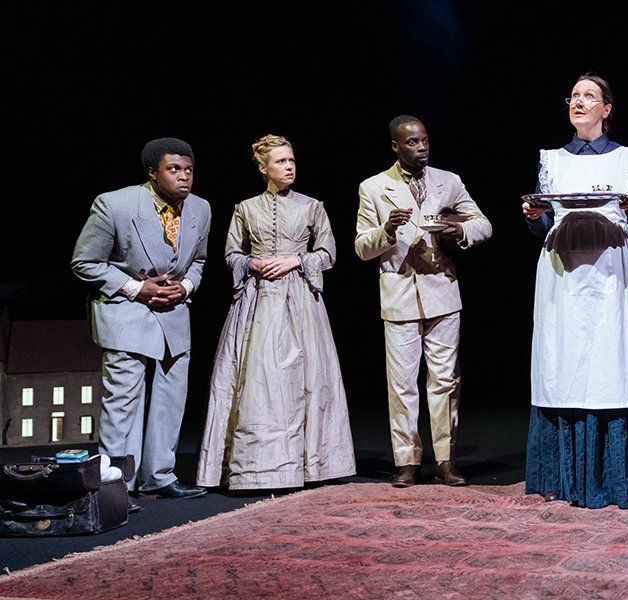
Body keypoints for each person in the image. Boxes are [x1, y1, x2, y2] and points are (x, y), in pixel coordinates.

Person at [520, 73, 628, 509]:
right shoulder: (552, 158)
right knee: (565, 360)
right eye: (574, 96)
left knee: (614, 360)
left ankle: (622, 476)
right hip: (564, 270)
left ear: (607, 108)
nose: (579, 102)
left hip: (615, 268)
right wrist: (532, 215)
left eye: (589, 96)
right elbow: (543, 222)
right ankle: (564, 477)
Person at [196, 134, 357, 491]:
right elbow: (230, 254)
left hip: (300, 298)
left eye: (292, 161)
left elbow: (328, 253)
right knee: (258, 381)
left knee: (308, 379)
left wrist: (295, 260)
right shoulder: (245, 207)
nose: (289, 167)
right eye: (282, 162)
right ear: (263, 168)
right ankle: (257, 468)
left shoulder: (312, 206)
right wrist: (250, 262)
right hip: (258, 301)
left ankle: (310, 465)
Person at [70, 137, 211, 501]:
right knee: (123, 402)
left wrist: (188, 287)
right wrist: (136, 287)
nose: (184, 177)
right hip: (128, 311)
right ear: (152, 173)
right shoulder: (114, 204)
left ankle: (160, 475)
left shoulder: (200, 208)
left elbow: (199, 261)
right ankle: (118, 484)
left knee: (171, 398)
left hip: (174, 314)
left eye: (189, 170)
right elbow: (85, 262)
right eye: (174, 169)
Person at [355, 115, 492, 487]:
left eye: (425, 141)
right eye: (413, 143)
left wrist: (459, 229)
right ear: (396, 147)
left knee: (445, 380)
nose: (422, 148)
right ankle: (407, 461)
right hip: (399, 296)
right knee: (401, 384)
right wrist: (386, 231)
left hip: (443, 293)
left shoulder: (449, 181)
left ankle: (445, 460)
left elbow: (484, 224)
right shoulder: (373, 188)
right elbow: (361, 248)